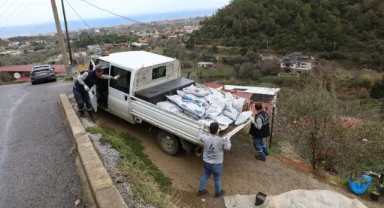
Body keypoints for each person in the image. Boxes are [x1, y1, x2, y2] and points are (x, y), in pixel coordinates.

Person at [197, 122, 231, 197]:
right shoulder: (221, 140)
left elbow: (199, 135)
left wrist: (201, 128)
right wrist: (228, 139)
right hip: (217, 164)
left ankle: (200, 190)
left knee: (205, 175)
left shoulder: (205, 137)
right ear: (217, 130)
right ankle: (218, 192)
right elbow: (228, 148)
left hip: (206, 161)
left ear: (209, 129)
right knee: (217, 178)